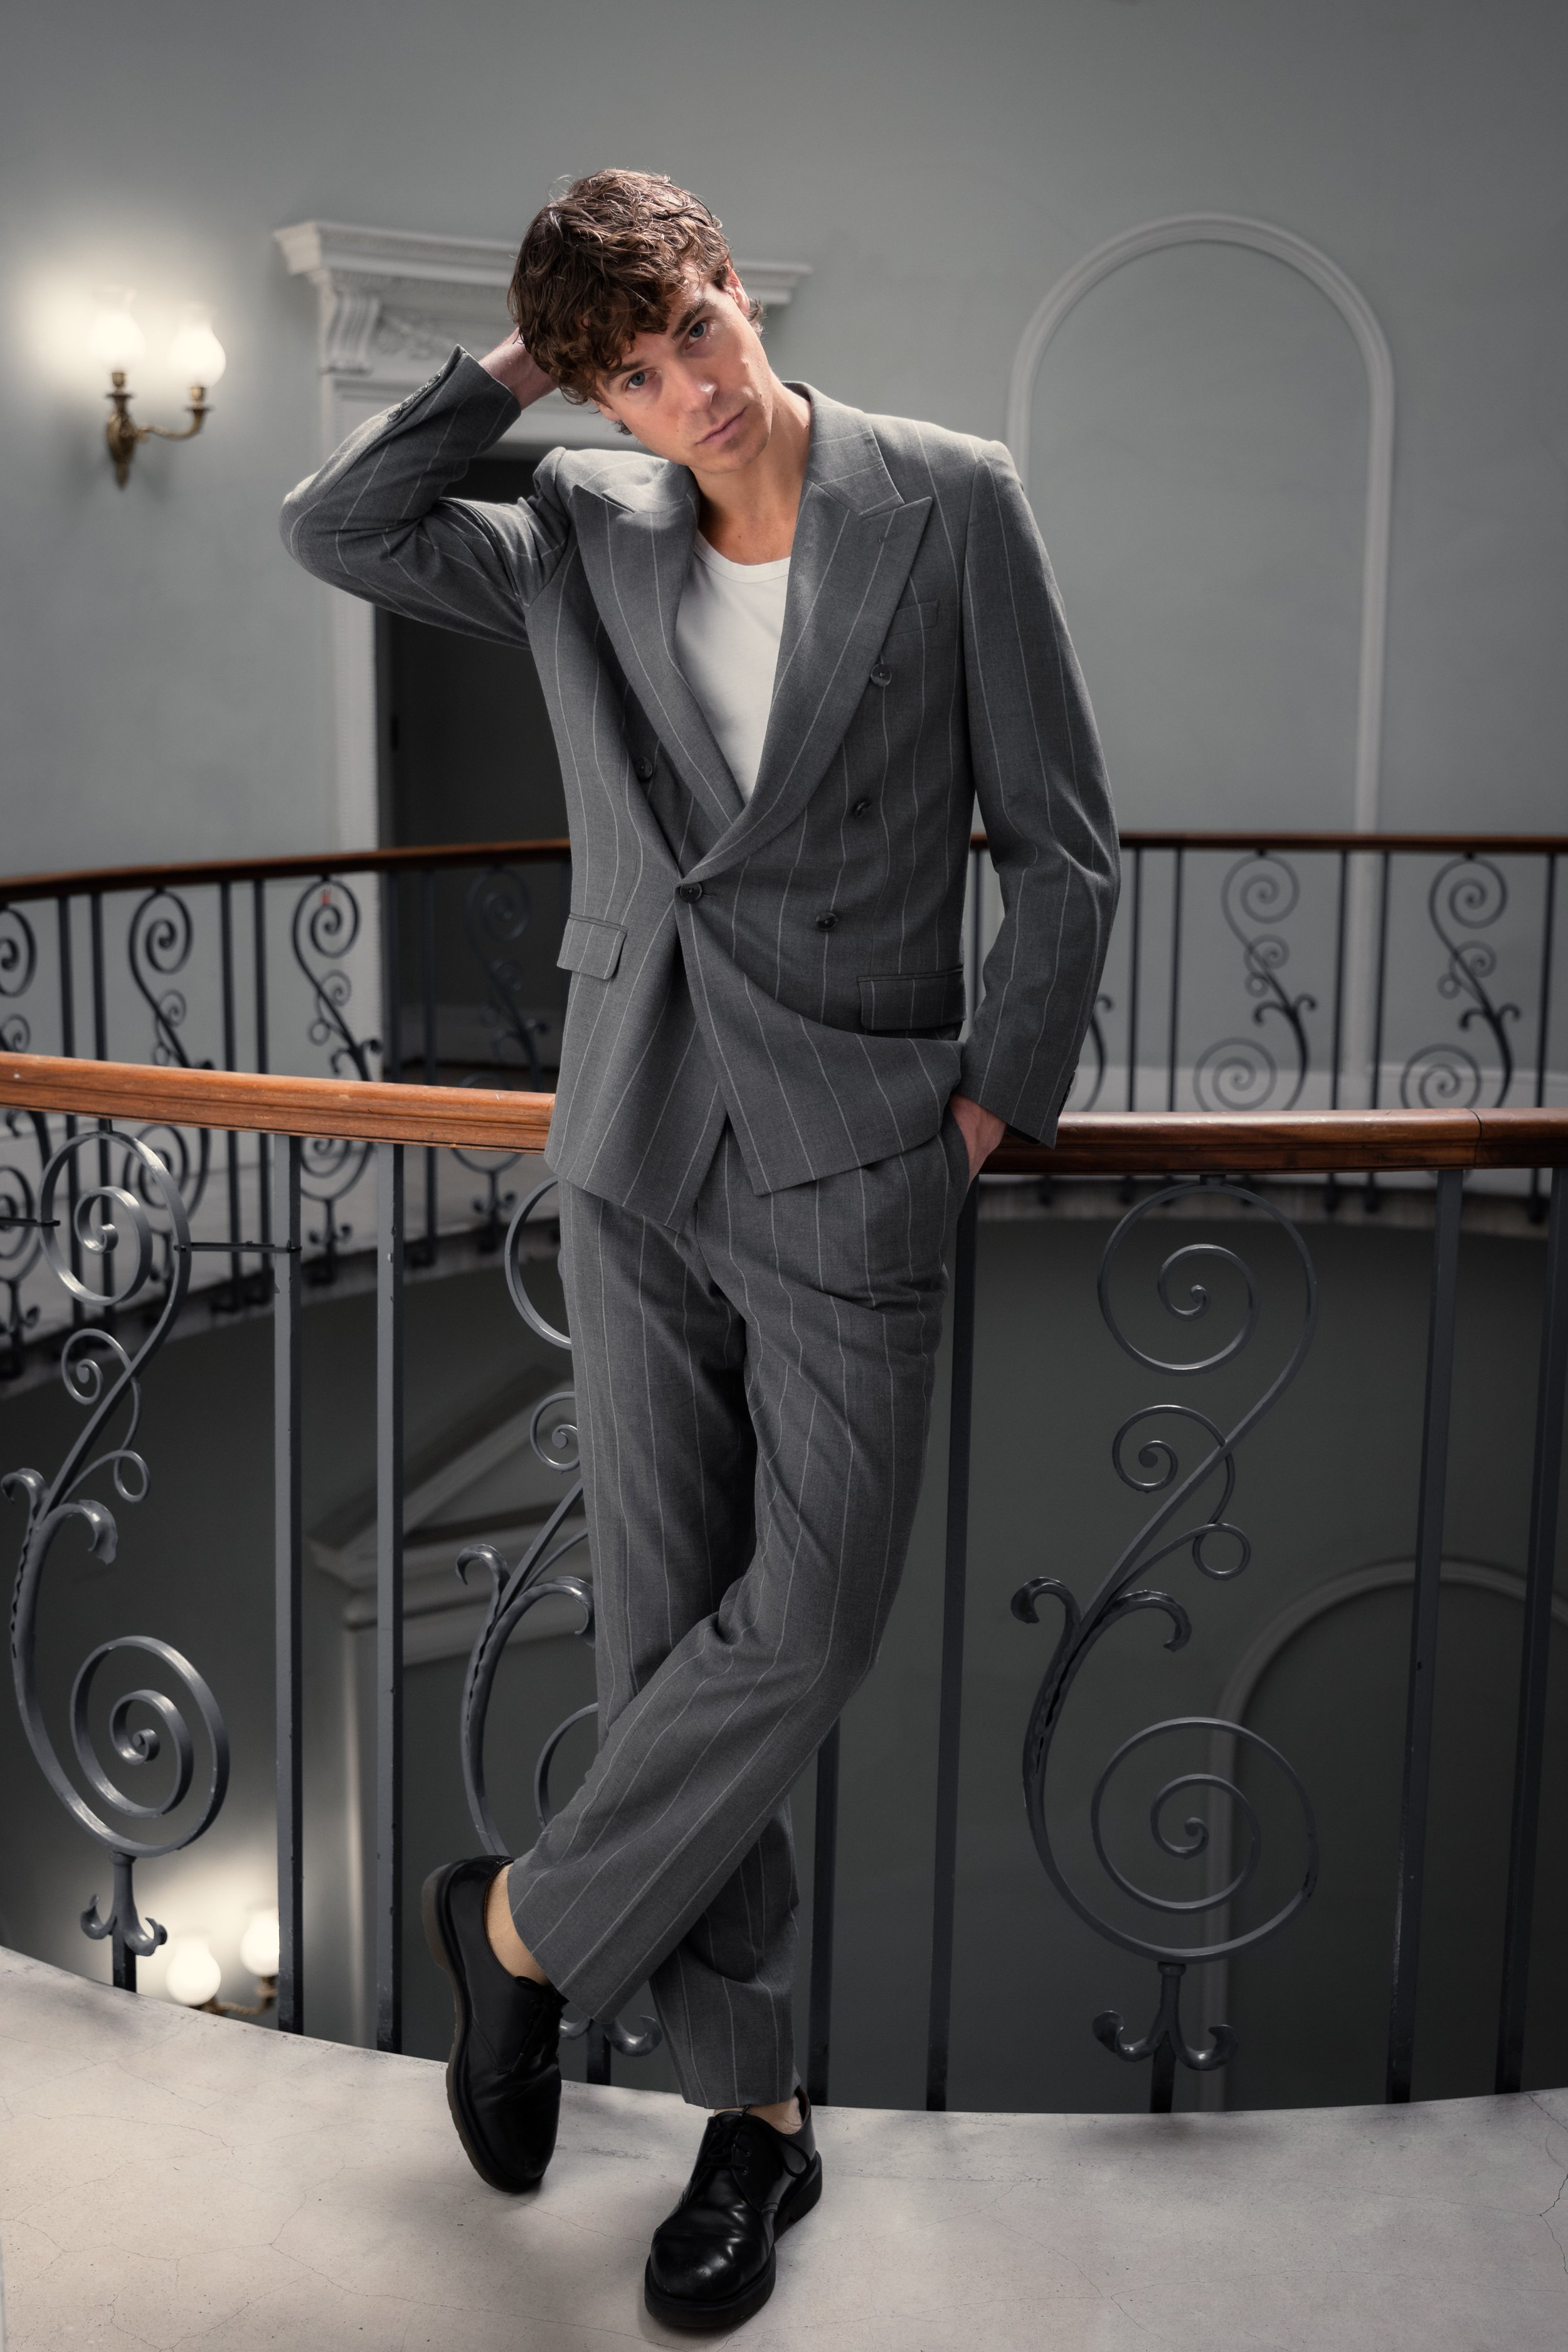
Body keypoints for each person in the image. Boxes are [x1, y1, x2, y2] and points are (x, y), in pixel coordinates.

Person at [282, 167, 1118, 2333]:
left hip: (859, 1159)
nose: (689, 395)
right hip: (639, 1138)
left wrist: (974, 1119)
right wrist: (522, 364)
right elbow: (340, 528)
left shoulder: (948, 500)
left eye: (696, 335)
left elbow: (1062, 849)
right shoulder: (582, 518)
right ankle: (755, 2122)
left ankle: (518, 1932)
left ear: (740, 286)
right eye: (635, 378)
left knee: (808, 1625)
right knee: (665, 1648)